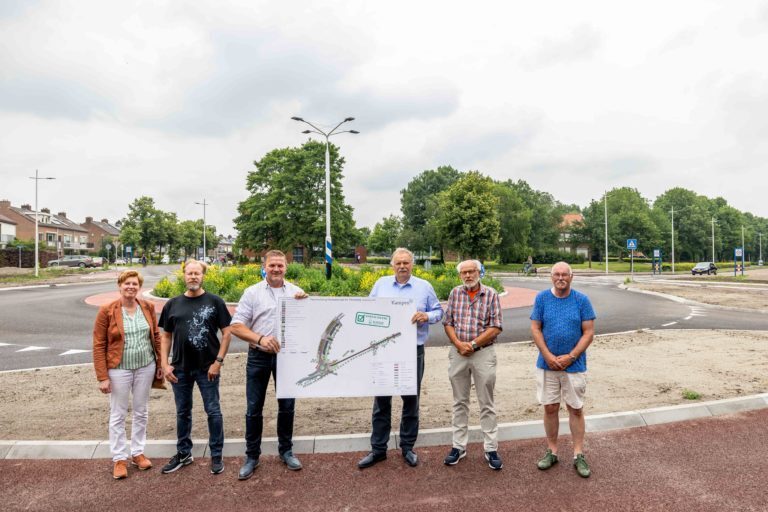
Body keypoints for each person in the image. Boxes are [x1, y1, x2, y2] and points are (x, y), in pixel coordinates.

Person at [357, 248, 443, 469]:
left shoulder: (424, 287)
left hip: (412, 350)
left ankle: (407, 447)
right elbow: (368, 310)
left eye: (406, 262)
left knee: (410, 400)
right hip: (384, 350)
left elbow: (438, 312)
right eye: (398, 263)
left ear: (412, 264)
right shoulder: (381, 285)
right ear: (392, 265)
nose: (402, 266)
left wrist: (426, 316)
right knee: (381, 401)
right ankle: (378, 449)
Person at [230, 250, 308, 480]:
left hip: (287, 358)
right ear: (265, 266)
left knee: (287, 406)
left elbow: (308, 322)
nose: (276, 269)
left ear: (286, 267)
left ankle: (286, 451)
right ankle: (252, 456)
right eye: (272, 265)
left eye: (280, 266)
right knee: (254, 409)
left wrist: (307, 305)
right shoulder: (252, 293)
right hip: (259, 356)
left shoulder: (296, 292)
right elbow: (236, 326)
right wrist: (260, 339)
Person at [159, 259, 232, 475]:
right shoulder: (172, 304)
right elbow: (166, 336)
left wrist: (218, 362)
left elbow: (227, 333)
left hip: (207, 368)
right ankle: (184, 453)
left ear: (203, 276)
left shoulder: (215, 302)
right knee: (183, 412)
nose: (193, 277)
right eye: (189, 273)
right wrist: (165, 364)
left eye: (197, 273)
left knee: (213, 411)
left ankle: (216, 454)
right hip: (179, 369)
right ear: (184, 275)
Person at [92, 270, 164, 479]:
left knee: (141, 411)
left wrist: (159, 363)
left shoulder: (147, 307)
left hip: (145, 367)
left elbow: (156, 337)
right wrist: (102, 376)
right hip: (119, 369)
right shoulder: (107, 310)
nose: (131, 287)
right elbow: (98, 344)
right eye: (127, 284)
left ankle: (137, 452)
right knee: (118, 414)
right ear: (120, 286)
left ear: (139, 288)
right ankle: (119, 459)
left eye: (135, 284)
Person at [530, 261, 596, 478]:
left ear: (571, 277)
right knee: (550, 407)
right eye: (556, 274)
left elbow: (588, 332)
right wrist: (548, 356)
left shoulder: (581, 300)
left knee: (575, 409)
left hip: (574, 365)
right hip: (546, 364)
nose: (560, 278)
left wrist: (571, 356)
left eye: (564, 275)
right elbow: (536, 328)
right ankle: (552, 451)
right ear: (551, 277)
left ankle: (578, 454)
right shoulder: (541, 299)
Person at [442, 259, 503, 470]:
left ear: (479, 272)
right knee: (460, 401)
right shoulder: (454, 293)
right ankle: (458, 446)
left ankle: (491, 448)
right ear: (460, 275)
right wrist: (459, 344)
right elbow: (447, 322)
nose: (468, 276)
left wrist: (474, 344)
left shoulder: (491, 294)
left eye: (472, 271)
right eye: (464, 272)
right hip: (458, 353)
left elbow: (496, 326)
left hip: (483, 354)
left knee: (486, 402)